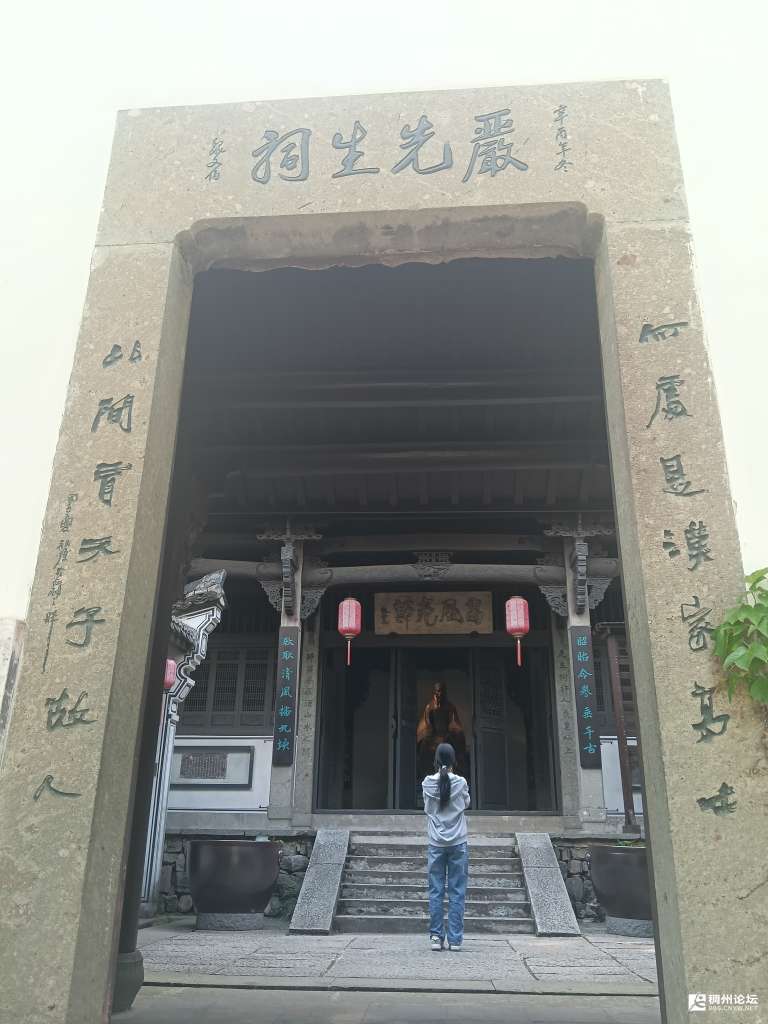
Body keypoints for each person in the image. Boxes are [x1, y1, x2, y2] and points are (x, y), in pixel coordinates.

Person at [421, 742, 470, 952]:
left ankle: (436, 937)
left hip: (436, 843)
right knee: (457, 891)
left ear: (436, 761)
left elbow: (428, 808)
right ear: (453, 761)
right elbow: (466, 803)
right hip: (458, 841)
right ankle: (455, 940)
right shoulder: (461, 782)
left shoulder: (427, 783)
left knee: (436, 891)